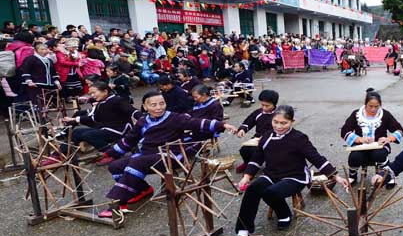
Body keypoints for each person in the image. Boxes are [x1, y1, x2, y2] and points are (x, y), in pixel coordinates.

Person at [226, 105, 349, 236]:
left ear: (292, 122)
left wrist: (336, 176)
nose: (278, 126)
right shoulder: (266, 136)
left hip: (295, 176)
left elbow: (316, 158)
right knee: (253, 189)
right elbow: (257, 158)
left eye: (283, 123)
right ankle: (242, 233)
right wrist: (246, 177)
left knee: (271, 192)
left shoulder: (299, 138)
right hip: (272, 174)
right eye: (275, 122)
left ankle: (284, 214)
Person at [98, 90, 236, 218]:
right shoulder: (142, 121)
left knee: (137, 162)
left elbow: (196, 123)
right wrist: (108, 153)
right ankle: (142, 190)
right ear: (145, 107)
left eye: (161, 103)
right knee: (115, 166)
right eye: (153, 105)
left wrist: (222, 125)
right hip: (147, 155)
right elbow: (129, 140)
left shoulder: (175, 118)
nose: (159, 107)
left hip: (170, 156)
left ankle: (119, 203)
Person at [56, 82, 136, 163]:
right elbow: (94, 118)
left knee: (88, 135)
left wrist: (144, 119)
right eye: (91, 93)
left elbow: (133, 111)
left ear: (105, 91)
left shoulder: (118, 100)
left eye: (94, 92)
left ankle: (112, 154)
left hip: (120, 130)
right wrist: (75, 119)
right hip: (108, 127)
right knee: (76, 132)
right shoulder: (101, 102)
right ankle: (59, 155)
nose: (92, 95)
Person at [340, 88, 403, 186]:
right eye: (370, 106)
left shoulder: (385, 115)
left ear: (380, 105)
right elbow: (344, 131)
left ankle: (386, 175)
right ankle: (352, 176)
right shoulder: (356, 114)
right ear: (365, 104)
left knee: (379, 154)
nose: (373, 109)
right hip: (361, 146)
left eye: (376, 106)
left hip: (379, 147)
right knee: (355, 156)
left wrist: (388, 139)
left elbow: (399, 130)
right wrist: (359, 139)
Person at [233, 89, 279, 172]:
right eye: (262, 105)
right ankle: (247, 163)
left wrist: (265, 137)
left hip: (273, 138)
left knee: (258, 152)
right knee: (244, 150)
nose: (264, 108)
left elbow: (281, 129)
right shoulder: (258, 112)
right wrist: (242, 129)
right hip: (257, 137)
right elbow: (249, 121)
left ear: (274, 104)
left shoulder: (279, 115)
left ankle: (261, 168)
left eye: (267, 106)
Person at [18, 43, 62, 115]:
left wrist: (57, 82)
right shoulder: (31, 59)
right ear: (36, 50)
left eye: (45, 49)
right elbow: (25, 70)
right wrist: (29, 81)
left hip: (48, 85)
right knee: (37, 102)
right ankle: (39, 118)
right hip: (35, 84)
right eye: (42, 49)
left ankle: (44, 118)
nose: (44, 51)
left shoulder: (49, 60)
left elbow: (53, 72)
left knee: (46, 103)